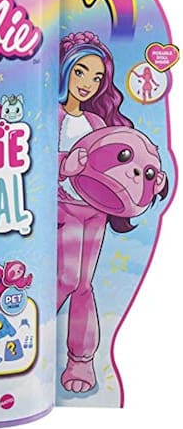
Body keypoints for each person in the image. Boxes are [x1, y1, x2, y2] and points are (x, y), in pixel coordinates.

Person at [57, 32, 132, 394]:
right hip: (62, 208)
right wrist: (64, 165)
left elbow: (110, 166)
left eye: (97, 77)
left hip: (93, 211)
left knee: (84, 284)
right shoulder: (52, 115)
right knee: (65, 279)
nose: (88, 83)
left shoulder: (96, 123)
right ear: (65, 70)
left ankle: (81, 360)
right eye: (80, 72)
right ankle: (30, 335)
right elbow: (32, 156)